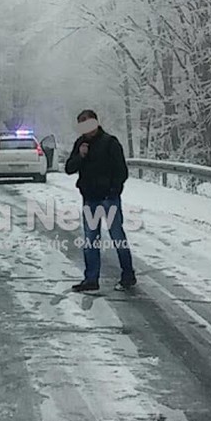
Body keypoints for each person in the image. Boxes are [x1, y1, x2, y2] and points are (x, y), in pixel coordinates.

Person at [65, 110, 137, 292]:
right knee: (90, 240)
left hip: (108, 199)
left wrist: (113, 190)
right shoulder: (81, 144)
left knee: (117, 237)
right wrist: (80, 156)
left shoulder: (110, 143)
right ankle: (91, 279)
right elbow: (69, 168)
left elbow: (121, 171)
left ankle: (128, 275)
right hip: (90, 199)